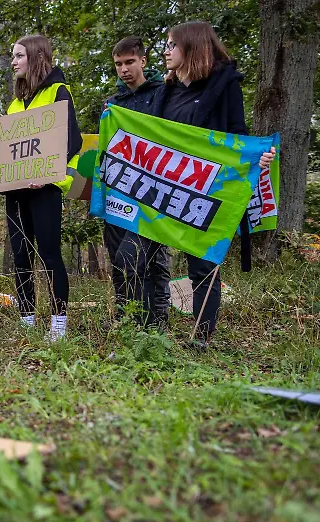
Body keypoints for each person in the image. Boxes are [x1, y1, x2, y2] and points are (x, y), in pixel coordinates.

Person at [150, 21, 275, 344]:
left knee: (202, 265)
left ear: (191, 47)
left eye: (171, 45)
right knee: (143, 256)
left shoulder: (224, 84)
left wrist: (256, 158)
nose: (165, 51)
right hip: (167, 188)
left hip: (208, 189)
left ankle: (201, 336)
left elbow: (238, 133)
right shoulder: (168, 89)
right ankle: (149, 328)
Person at [0, 34, 82, 341]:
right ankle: (27, 318)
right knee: (20, 255)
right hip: (15, 191)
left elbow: (72, 141)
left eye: (18, 56)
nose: (13, 62)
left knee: (49, 254)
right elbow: (11, 147)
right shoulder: (15, 103)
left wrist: (49, 174)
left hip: (44, 189)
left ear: (36, 56)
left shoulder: (58, 91)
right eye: (12, 56)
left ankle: (58, 322)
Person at [102, 36, 171, 327]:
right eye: (118, 64)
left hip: (156, 191)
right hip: (120, 191)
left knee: (149, 258)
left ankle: (156, 321)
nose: (124, 69)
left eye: (130, 62)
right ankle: (126, 317)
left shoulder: (163, 94)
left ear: (143, 61)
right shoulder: (113, 104)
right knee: (119, 257)